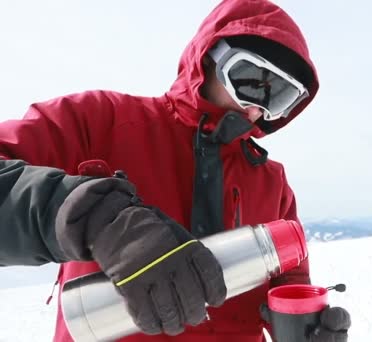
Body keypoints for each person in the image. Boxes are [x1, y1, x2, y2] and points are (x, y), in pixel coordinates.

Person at [0, 0, 351, 341]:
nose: (257, 108)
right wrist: (89, 217)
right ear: (210, 59)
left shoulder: (272, 182)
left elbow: (289, 284)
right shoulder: (98, 122)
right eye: (251, 79)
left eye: (280, 97)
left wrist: (302, 328)